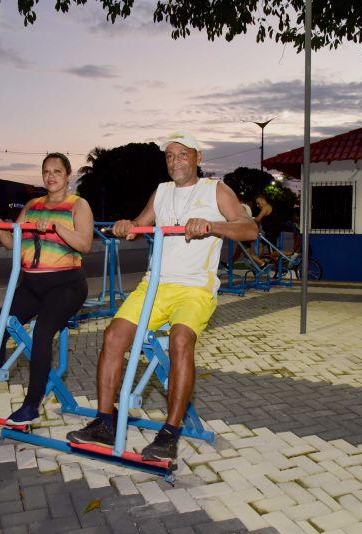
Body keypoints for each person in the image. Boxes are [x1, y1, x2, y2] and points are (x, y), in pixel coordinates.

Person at [66, 131, 258, 461]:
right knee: (113, 336)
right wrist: (126, 227)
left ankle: (169, 433)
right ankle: (104, 422)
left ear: (198, 157)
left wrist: (212, 226)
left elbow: (249, 228)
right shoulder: (162, 192)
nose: (175, 160)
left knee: (181, 340)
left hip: (195, 287)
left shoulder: (215, 190)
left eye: (182, 154)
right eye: (169, 155)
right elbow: (140, 223)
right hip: (155, 284)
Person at [0, 153, 94, 425]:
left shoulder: (78, 205)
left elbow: (85, 244)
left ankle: (31, 405)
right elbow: (12, 243)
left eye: (57, 171)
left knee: (42, 333)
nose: (51, 176)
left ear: (67, 176)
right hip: (31, 284)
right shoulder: (32, 205)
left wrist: (56, 227)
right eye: (46, 172)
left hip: (66, 284)